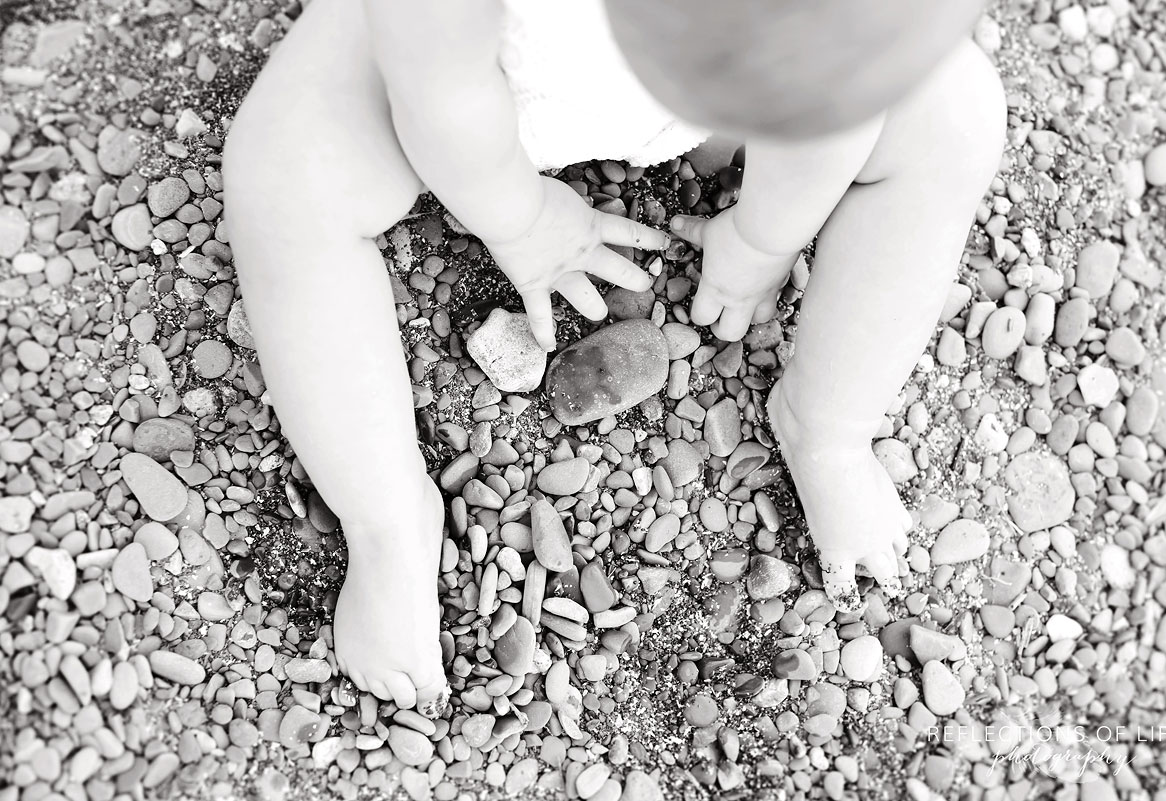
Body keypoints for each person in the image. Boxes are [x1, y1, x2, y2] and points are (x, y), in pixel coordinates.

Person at [221, 0, 1007, 716]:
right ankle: (386, 518)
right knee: (285, 177)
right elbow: (437, 86)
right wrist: (516, 215)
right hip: (490, 62)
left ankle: (829, 423)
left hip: (710, 78)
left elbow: (850, 81)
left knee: (955, 116)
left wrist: (766, 233)